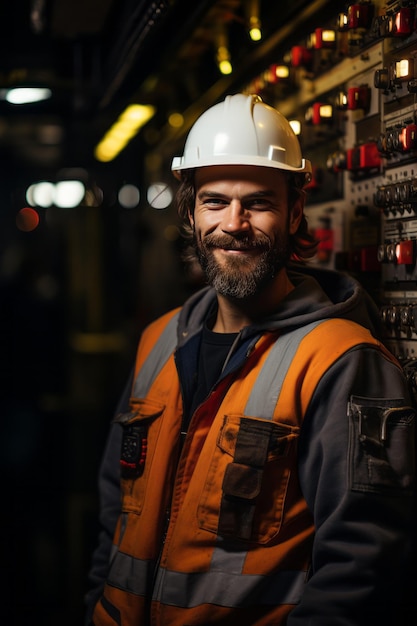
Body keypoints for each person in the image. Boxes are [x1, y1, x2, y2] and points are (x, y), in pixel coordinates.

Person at [85, 93, 415, 626]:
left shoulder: (341, 358)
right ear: (190, 212)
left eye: (258, 202)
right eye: (215, 201)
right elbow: (113, 519)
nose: (234, 223)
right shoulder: (157, 342)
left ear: (294, 212)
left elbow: (363, 565)